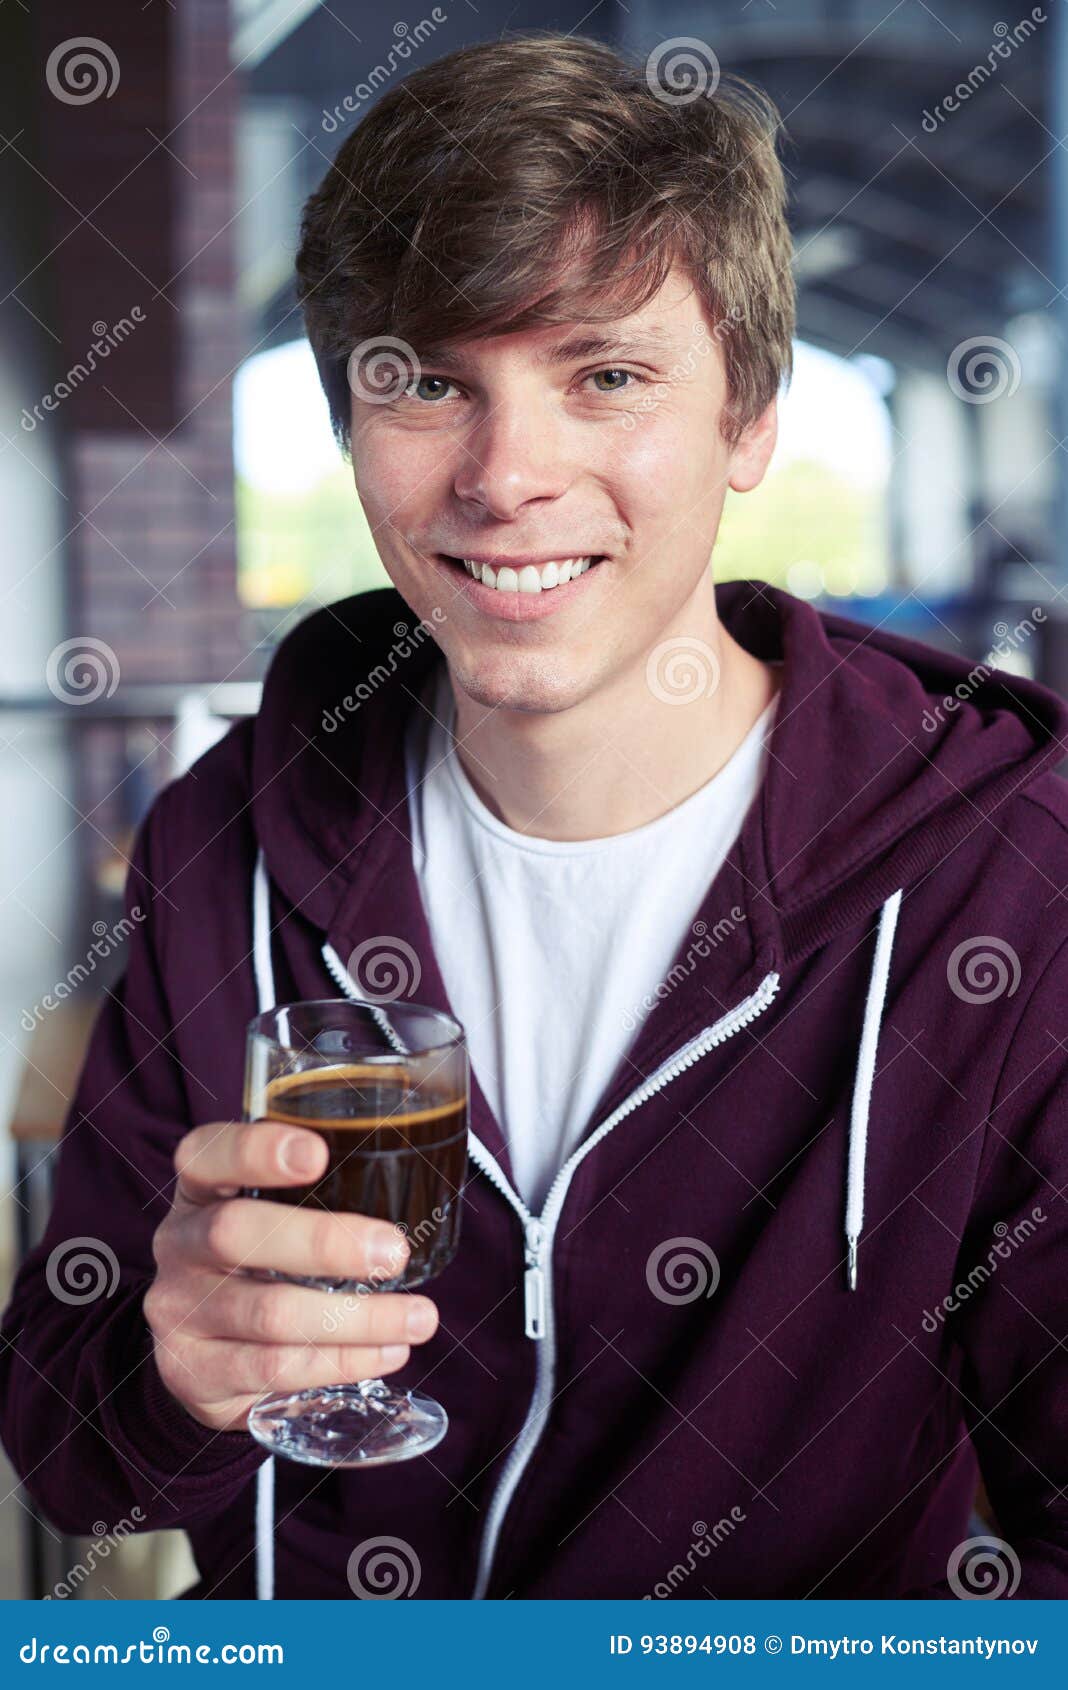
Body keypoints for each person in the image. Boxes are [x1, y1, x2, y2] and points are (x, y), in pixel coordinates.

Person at [3, 31, 1067, 1602]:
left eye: (609, 376)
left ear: (751, 415)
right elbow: (75, 1442)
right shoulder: (222, 835)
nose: (508, 474)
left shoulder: (1005, 869)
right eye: (429, 381)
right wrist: (175, 1370)